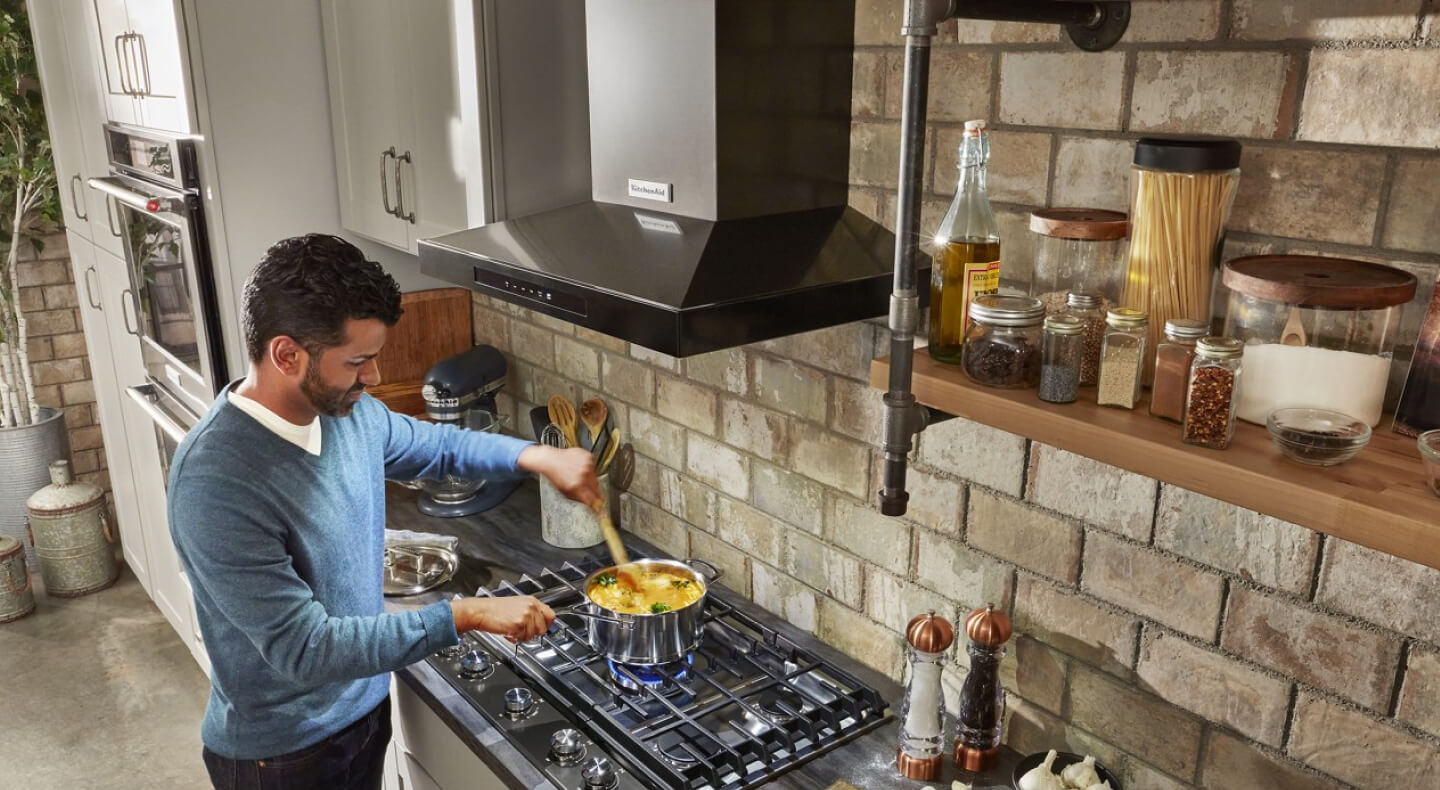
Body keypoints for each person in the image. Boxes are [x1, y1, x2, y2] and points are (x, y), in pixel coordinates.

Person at [167, 234, 598, 789]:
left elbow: (438, 447)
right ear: (286, 354)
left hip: (365, 710)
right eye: (358, 361)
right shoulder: (216, 483)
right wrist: (464, 615)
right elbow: (306, 649)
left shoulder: (346, 412)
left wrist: (538, 455)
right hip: (281, 756)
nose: (372, 379)